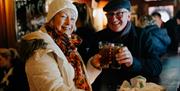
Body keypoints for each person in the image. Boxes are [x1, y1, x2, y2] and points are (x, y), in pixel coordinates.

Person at [86, 0, 170, 91]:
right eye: (110, 14)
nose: (114, 18)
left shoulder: (142, 35)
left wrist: (133, 62)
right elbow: (86, 66)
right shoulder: (97, 37)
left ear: (129, 16)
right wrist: (93, 64)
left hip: (132, 88)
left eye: (119, 13)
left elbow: (157, 67)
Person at [18, 0, 102, 91]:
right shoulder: (41, 49)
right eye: (64, 16)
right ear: (51, 19)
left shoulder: (68, 46)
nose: (69, 22)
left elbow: (78, 84)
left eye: (73, 18)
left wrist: (93, 65)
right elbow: (55, 89)